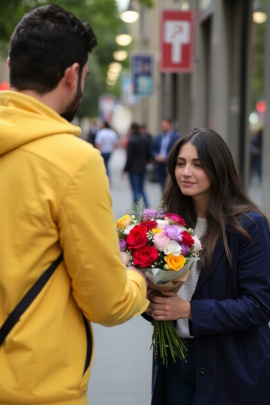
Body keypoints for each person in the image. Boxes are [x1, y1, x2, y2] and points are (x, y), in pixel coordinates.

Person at [0, 5, 148, 405]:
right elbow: (107, 302)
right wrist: (140, 280)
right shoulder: (73, 161)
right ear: (72, 74)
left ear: (12, 65)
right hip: (37, 387)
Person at [146, 128, 270, 405]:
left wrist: (190, 310)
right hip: (174, 362)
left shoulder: (248, 226)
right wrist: (146, 299)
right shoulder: (166, 224)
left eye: (198, 165)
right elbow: (165, 299)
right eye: (180, 163)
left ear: (218, 168)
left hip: (230, 365)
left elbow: (260, 306)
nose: (186, 172)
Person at [122, 122, 151, 208]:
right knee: (141, 188)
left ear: (132, 129)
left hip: (133, 168)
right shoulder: (145, 139)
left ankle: (136, 208)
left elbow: (129, 157)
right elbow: (148, 154)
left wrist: (124, 170)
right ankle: (147, 206)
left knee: (135, 188)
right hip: (142, 166)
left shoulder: (131, 140)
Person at [151, 118, 180, 191]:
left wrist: (166, 158)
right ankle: (164, 200)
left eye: (165, 125)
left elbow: (177, 150)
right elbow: (153, 149)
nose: (163, 127)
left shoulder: (176, 137)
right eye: (162, 126)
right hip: (159, 165)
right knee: (162, 185)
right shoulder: (158, 137)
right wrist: (156, 156)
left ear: (170, 126)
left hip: (170, 164)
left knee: (170, 185)